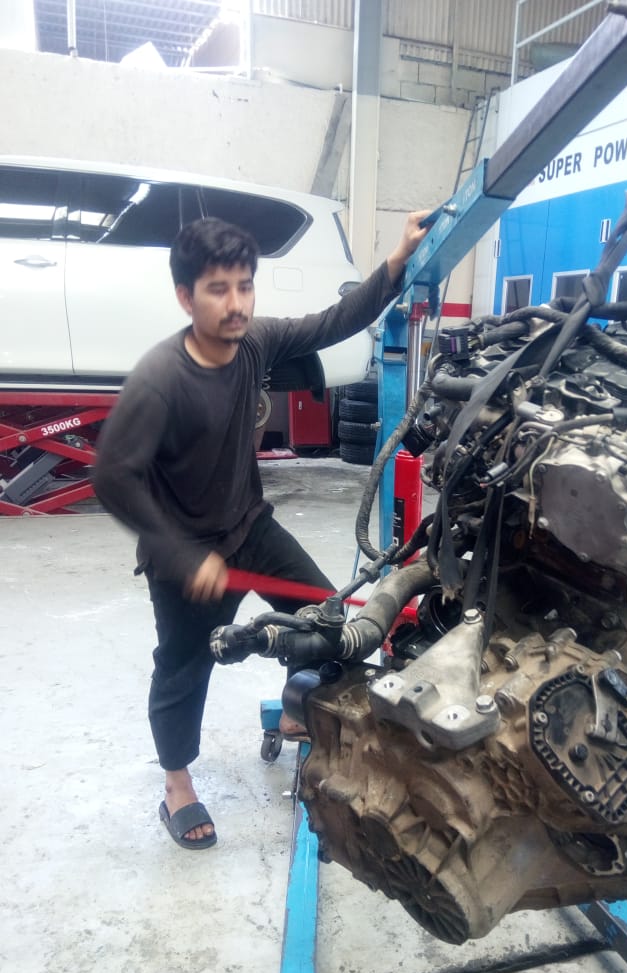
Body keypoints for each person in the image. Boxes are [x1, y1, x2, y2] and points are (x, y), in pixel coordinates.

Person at [94, 209, 430, 850]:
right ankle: (177, 786)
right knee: (184, 665)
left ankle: (298, 703)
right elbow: (114, 477)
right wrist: (181, 555)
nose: (236, 303)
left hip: (249, 527)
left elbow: (333, 322)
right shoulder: (161, 379)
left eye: (244, 286)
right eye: (218, 289)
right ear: (186, 297)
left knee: (328, 618)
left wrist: (395, 262)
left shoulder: (255, 343)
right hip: (185, 553)